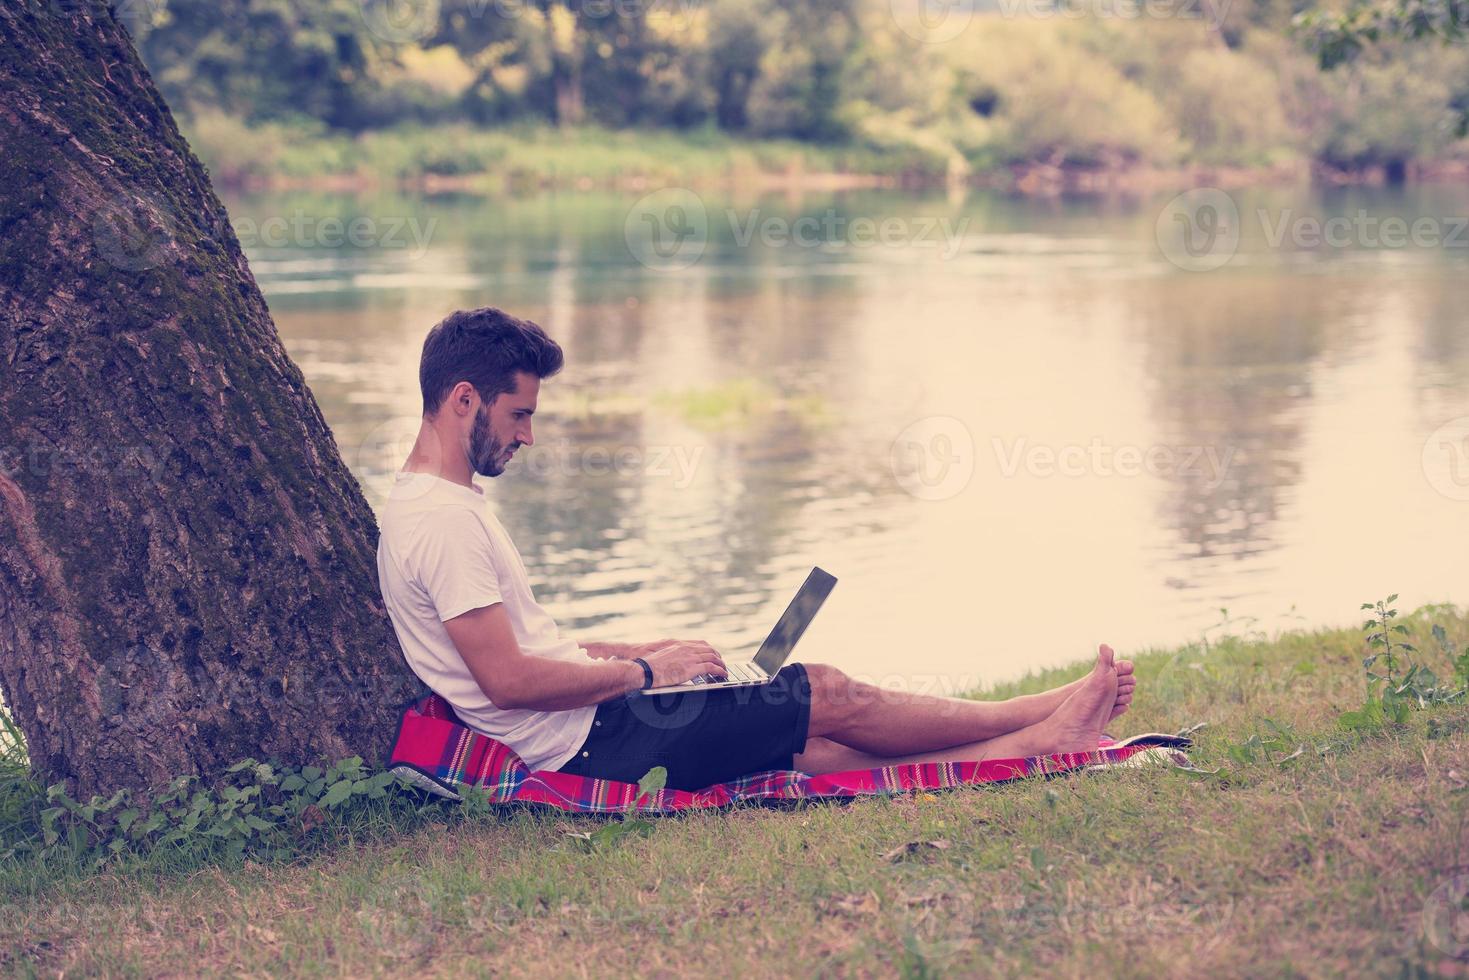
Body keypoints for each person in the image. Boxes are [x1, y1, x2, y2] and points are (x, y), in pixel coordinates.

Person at [375, 307, 1137, 791]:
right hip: (592, 745)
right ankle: (1036, 713)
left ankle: (1034, 739)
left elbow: (525, 642)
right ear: (464, 399)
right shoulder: (442, 522)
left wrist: (641, 649)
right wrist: (645, 673)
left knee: (815, 743)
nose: (527, 436)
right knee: (825, 692)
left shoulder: (444, 506)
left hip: (599, 723)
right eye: (519, 414)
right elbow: (506, 681)